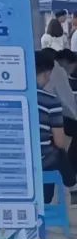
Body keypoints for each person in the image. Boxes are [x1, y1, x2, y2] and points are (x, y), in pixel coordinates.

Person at [37, 50, 75, 205]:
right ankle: (71, 184)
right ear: (48, 73)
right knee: (56, 151)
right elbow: (60, 142)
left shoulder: (18, 97)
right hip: (42, 162)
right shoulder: (50, 100)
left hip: (18, 161)